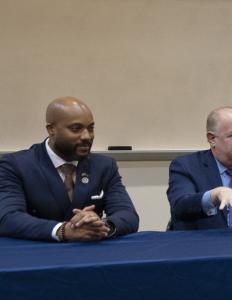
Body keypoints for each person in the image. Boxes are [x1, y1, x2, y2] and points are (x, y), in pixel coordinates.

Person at [0, 97, 139, 242]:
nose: (87, 136)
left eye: (90, 128)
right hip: (37, 255)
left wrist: (102, 226)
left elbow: (128, 214)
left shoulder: (104, 166)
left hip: (91, 255)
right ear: (51, 129)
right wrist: (62, 230)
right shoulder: (16, 165)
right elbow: (7, 218)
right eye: (76, 129)